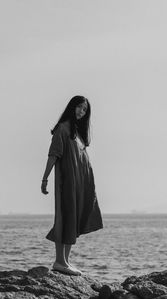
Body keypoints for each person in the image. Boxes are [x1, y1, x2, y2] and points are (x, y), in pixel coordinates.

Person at [41, 95, 103, 276]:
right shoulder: (63, 129)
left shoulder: (78, 134)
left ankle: (65, 261)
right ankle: (59, 261)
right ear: (71, 107)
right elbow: (53, 155)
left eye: (85, 110)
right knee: (65, 218)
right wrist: (44, 179)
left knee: (74, 220)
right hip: (67, 182)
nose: (81, 112)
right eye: (79, 107)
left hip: (80, 184)